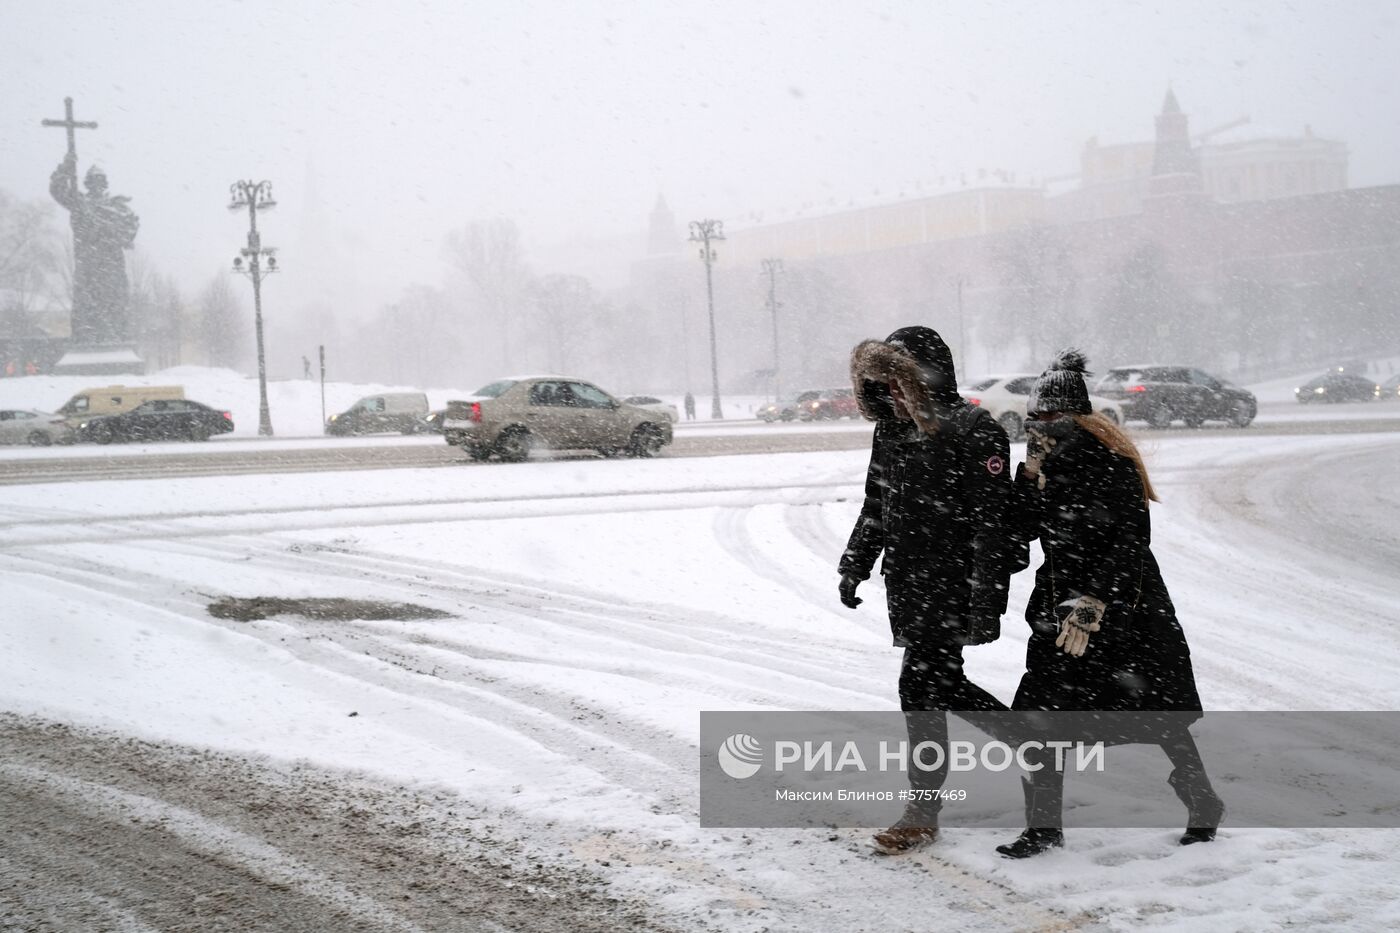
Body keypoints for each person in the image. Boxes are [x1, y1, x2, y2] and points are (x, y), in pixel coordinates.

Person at [996, 350, 1223, 859]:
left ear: (1074, 416)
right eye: (1033, 418)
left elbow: (1130, 544)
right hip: (1059, 612)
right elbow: (1022, 532)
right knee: (1040, 720)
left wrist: (1094, 601)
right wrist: (1028, 479)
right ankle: (1043, 828)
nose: (1037, 426)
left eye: (1046, 417)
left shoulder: (1112, 466)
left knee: (1158, 716)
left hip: (1124, 611)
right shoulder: (1044, 468)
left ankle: (1203, 803)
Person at [840, 326, 1022, 853]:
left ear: (924, 379)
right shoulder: (892, 432)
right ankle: (1032, 745)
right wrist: (854, 564)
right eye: (882, 386)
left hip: (955, 584)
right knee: (934, 686)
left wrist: (988, 598)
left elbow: (994, 525)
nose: (890, 395)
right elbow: (876, 502)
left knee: (922, 687)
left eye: (897, 384)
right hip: (909, 582)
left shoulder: (974, 429)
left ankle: (923, 811)